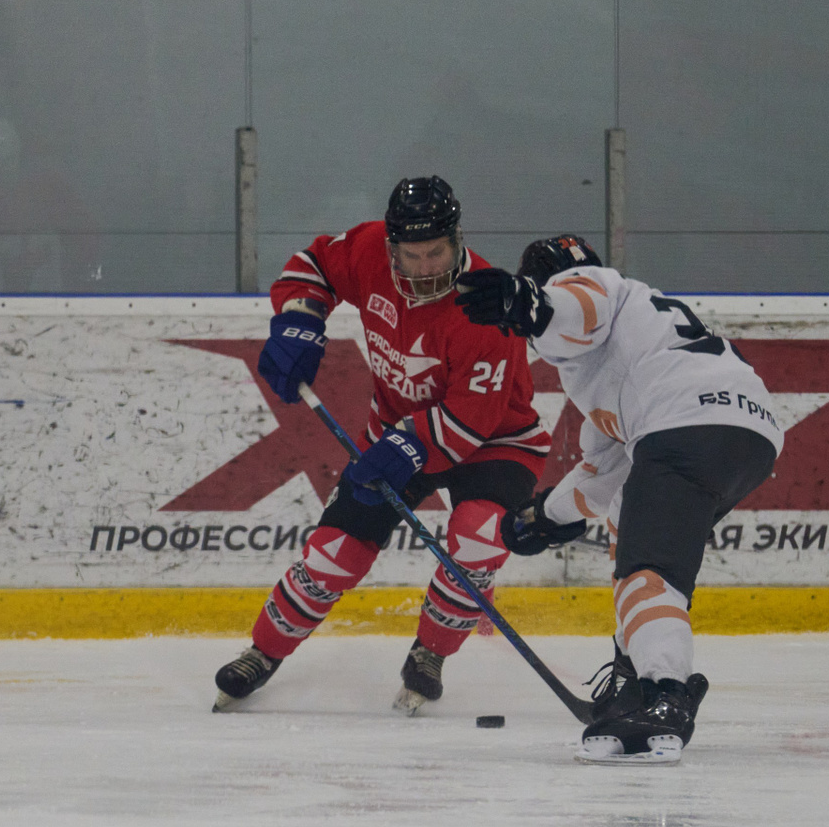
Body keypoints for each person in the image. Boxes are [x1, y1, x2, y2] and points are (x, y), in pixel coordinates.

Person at [212, 177, 550, 714]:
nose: (425, 268)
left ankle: (430, 653)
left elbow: (471, 420)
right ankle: (263, 651)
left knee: (479, 539)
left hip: (496, 441)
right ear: (392, 247)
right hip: (397, 428)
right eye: (412, 255)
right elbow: (313, 266)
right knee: (335, 553)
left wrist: (405, 449)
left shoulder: (486, 306)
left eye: (436, 252)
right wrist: (299, 319)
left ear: (457, 239)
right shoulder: (369, 249)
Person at [454, 236, 782, 761]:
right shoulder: (633, 346)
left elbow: (576, 304)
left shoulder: (596, 289)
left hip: (686, 423)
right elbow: (605, 470)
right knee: (629, 522)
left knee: (648, 572)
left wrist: (530, 303)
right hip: (750, 438)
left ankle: (666, 694)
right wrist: (545, 517)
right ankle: (633, 681)